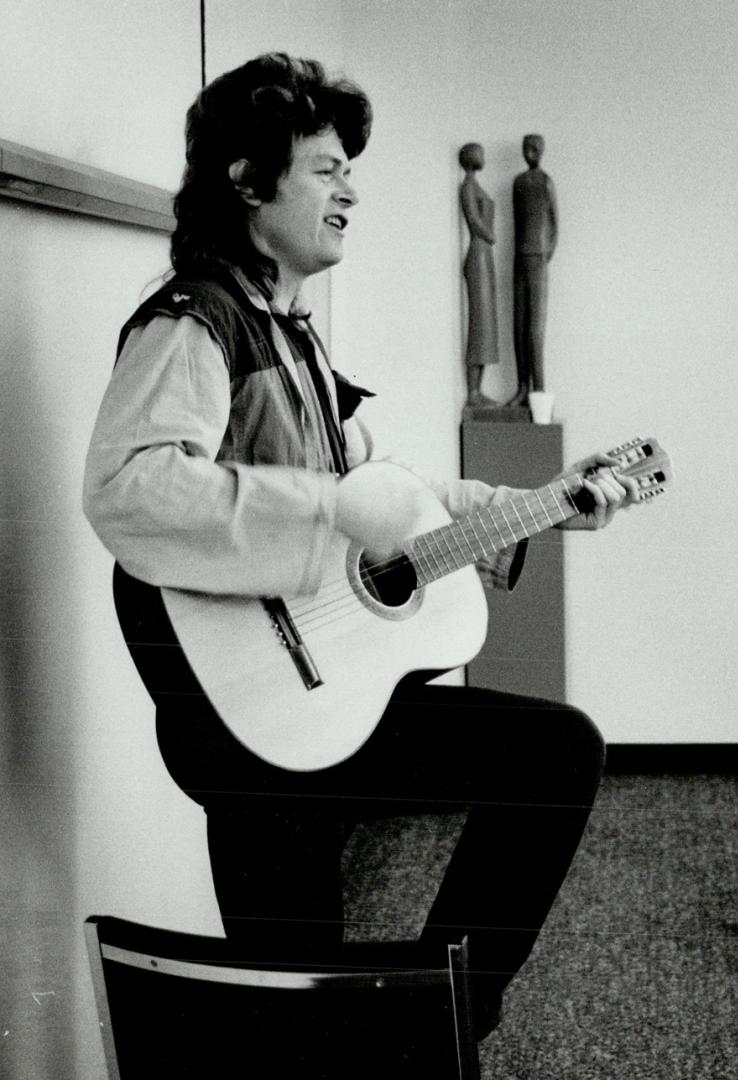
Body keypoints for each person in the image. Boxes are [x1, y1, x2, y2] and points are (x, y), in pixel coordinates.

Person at [81, 54, 634, 1041]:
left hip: (313, 692)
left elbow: (392, 499)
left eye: (350, 170)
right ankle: (429, 1022)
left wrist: (536, 503)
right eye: (325, 168)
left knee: (303, 982)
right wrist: (330, 510)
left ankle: (423, 1022)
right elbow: (132, 493)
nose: (350, 190)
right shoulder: (193, 324)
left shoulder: (290, 335)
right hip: (243, 705)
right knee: (545, 763)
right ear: (247, 182)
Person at [512, 132, 558, 401]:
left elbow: (554, 224)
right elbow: (517, 221)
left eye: (534, 148)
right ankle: (522, 387)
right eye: (526, 148)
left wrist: (544, 253)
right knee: (519, 326)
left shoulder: (545, 182)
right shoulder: (518, 183)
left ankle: (538, 389)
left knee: (535, 329)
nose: (529, 152)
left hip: (538, 258)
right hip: (520, 257)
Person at [458, 140, 499, 406]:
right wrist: (490, 235)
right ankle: (473, 391)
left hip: (484, 256)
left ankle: (478, 389)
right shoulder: (468, 186)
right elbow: (474, 219)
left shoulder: (474, 185)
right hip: (478, 254)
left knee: (486, 326)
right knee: (479, 325)